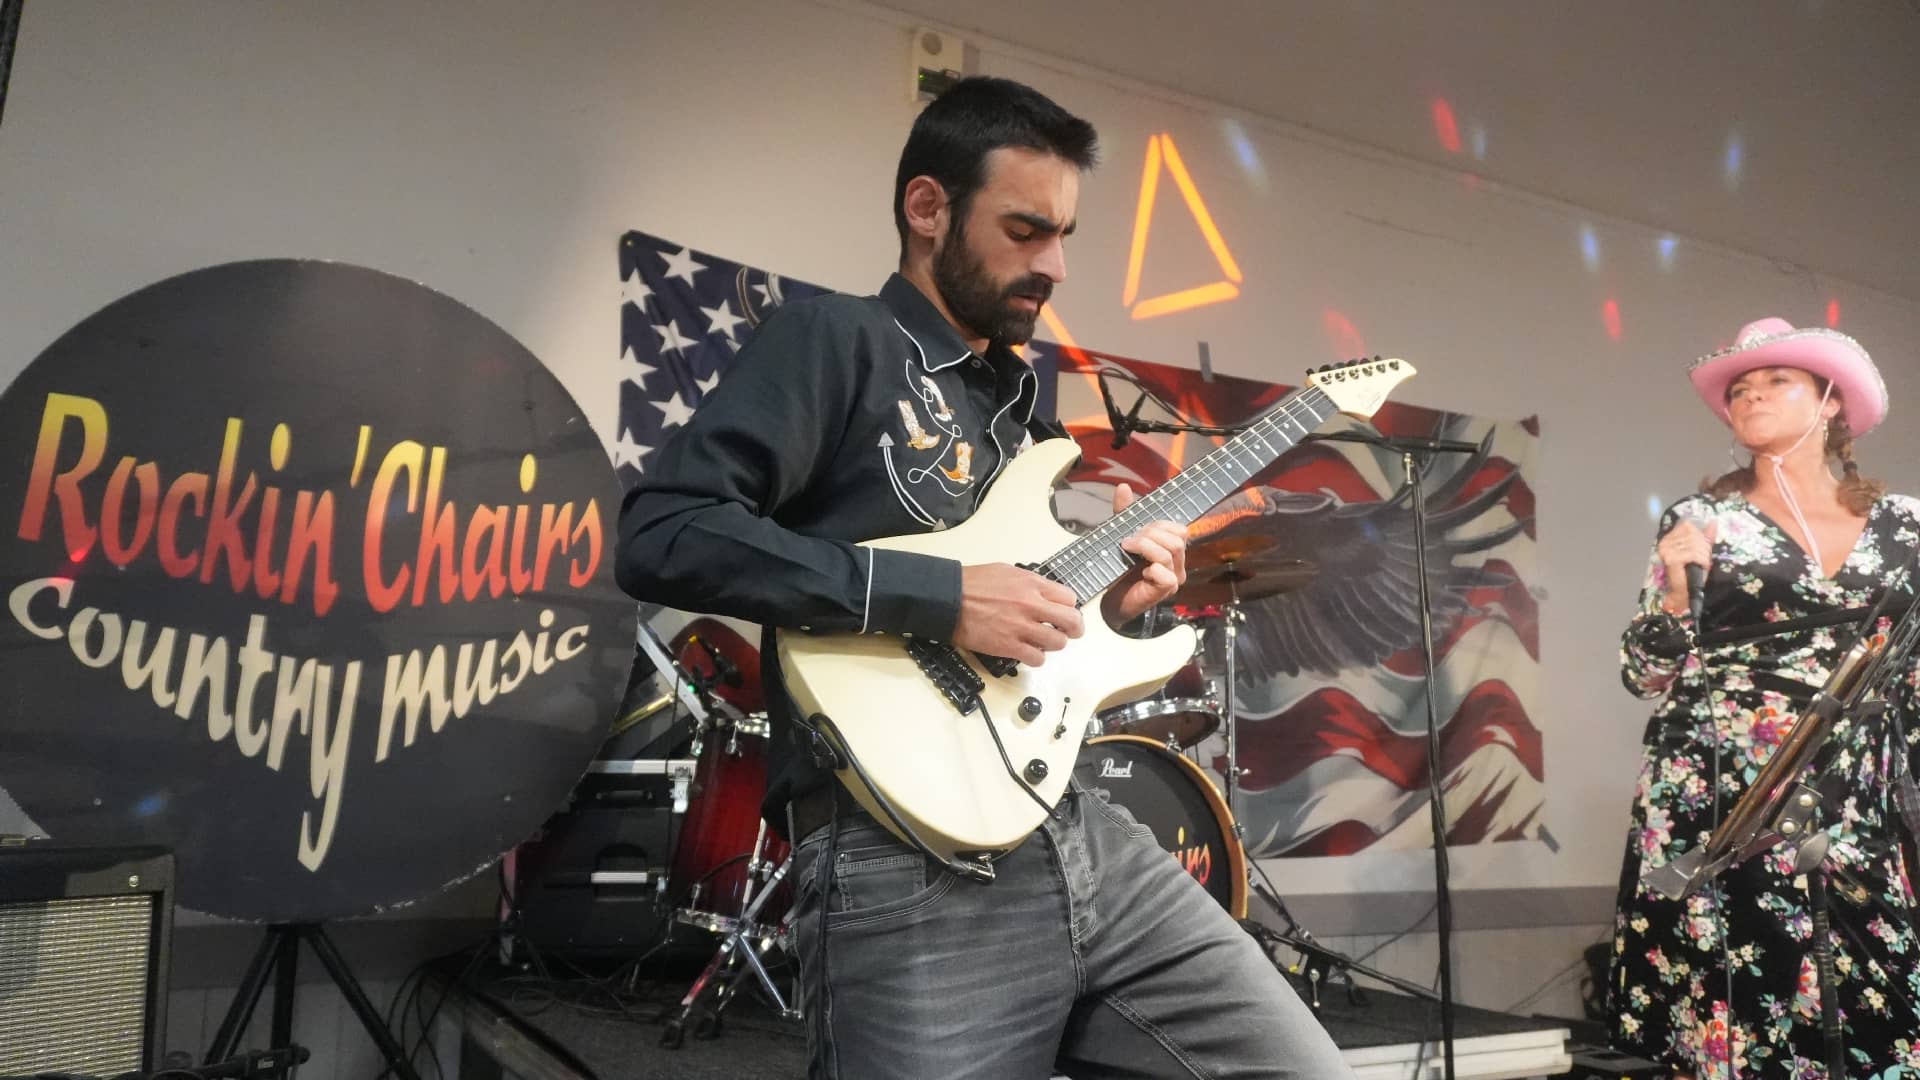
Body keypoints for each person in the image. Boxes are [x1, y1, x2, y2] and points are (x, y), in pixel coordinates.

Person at [618, 77, 1351, 1078]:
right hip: (896, 856)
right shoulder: (839, 343)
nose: (1052, 263)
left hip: (1078, 831)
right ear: (928, 209)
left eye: (1064, 235)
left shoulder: (1020, 410)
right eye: (1024, 229)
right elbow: (664, 532)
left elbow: (1027, 623)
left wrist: (1118, 611)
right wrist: (942, 599)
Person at [1609, 317, 1920, 1078]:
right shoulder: (1701, 518)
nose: (1750, 397)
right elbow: (1641, 671)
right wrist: (1677, 600)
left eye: (1776, 380)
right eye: (1738, 390)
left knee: (1879, 1004)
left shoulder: (1906, 524)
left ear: (1831, 403)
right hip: (1723, 781)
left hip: (1856, 788)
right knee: (1737, 1003)